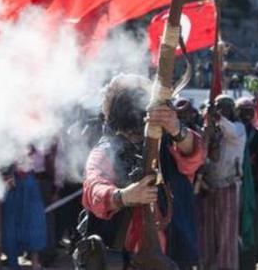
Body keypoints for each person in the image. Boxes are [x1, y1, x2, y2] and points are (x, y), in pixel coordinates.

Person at [82, 74, 204, 269]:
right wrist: (124, 196)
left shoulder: (168, 142)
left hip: (173, 255)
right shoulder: (106, 150)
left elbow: (195, 156)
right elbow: (93, 190)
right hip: (126, 256)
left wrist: (176, 129)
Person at [197, 94, 246, 270]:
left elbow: (230, 131)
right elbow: (203, 153)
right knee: (208, 233)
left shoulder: (239, 128)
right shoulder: (211, 128)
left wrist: (217, 117)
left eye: (225, 106)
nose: (222, 109)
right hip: (208, 187)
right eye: (219, 106)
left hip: (229, 186)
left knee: (227, 233)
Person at [235, 97, 258, 270]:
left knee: (251, 224)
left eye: (250, 111)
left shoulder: (257, 133)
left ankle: (248, 263)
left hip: (251, 186)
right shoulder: (231, 131)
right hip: (231, 185)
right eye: (243, 111)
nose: (247, 115)